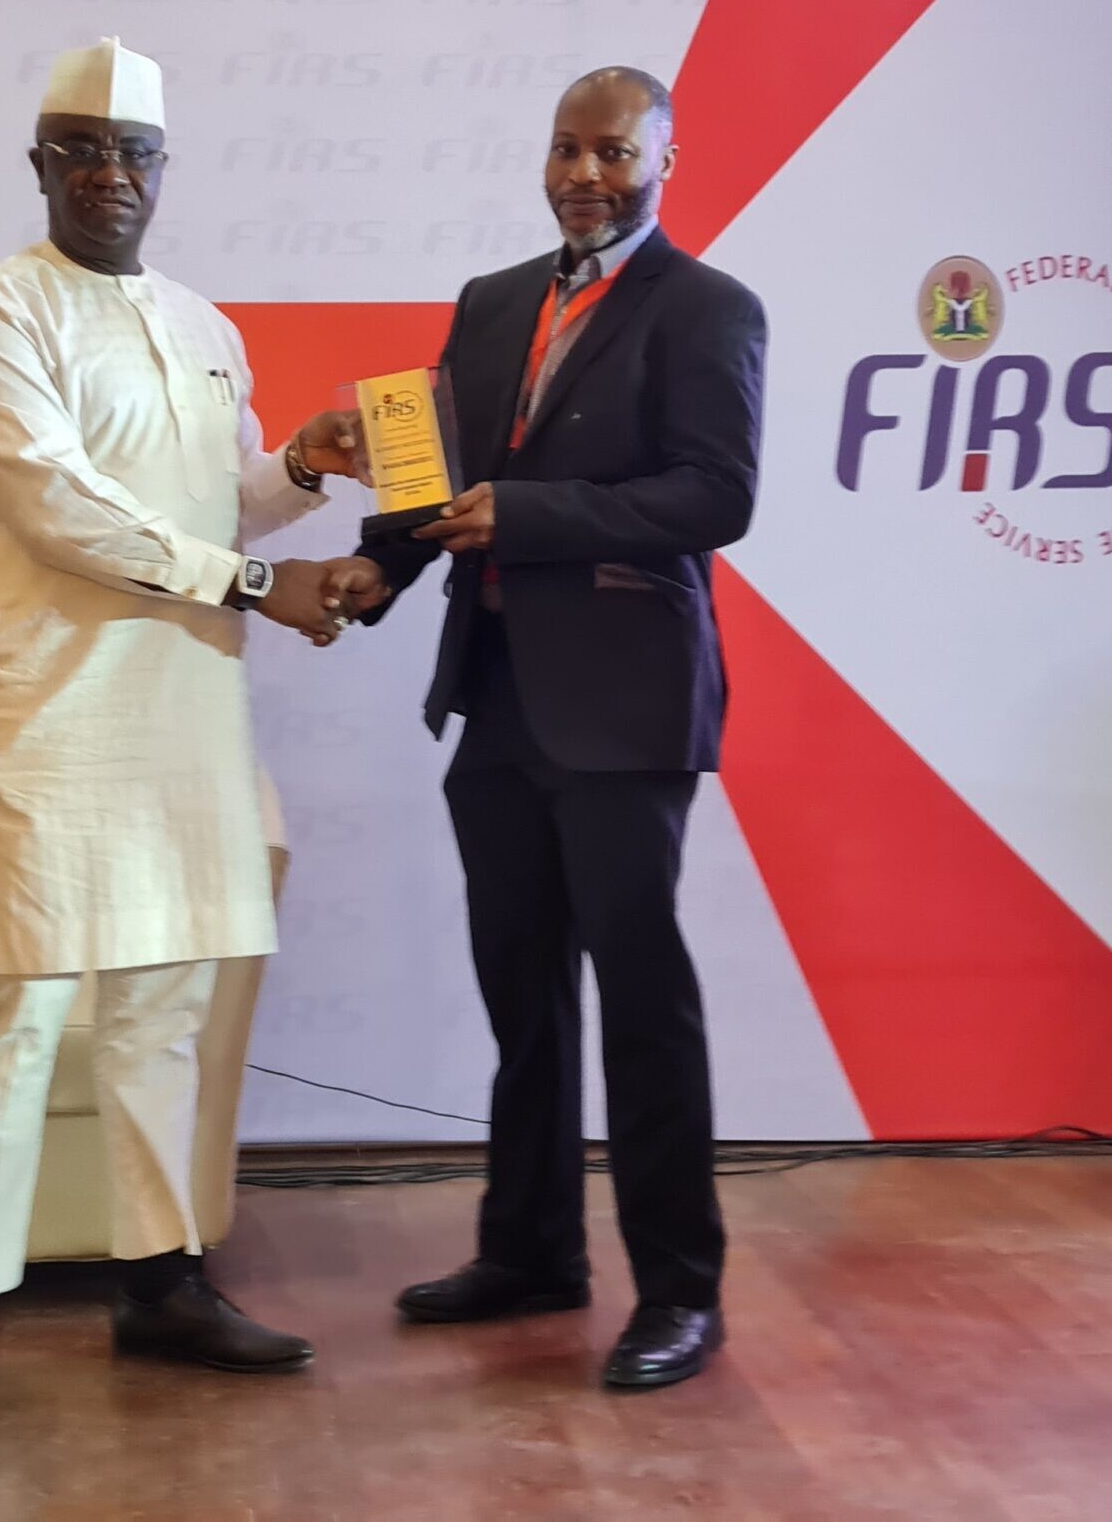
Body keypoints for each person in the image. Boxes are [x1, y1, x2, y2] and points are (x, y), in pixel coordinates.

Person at [0, 36, 363, 1432]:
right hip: (46, 712)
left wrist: (299, 471)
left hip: (180, 711)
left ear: (165, 171)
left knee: (160, 1011)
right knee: (21, 1013)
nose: (112, 174)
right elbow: (58, 507)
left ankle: (162, 1283)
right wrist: (254, 582)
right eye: (83, 149)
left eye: (135, 152)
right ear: (39, 165)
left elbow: (215, 503)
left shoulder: (205, 325)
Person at [320, 67, 765, 1390]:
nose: (586, 173)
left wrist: (531, 514)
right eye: (568, 149)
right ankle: (530, 1253)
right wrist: (376, 570)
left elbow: (716, 495)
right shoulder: (494, 301)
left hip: (628, 703)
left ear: (665, 161)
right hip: (500, 692)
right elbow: (436, 477)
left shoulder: (709, 308)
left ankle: (682, 1294)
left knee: (643, 1006)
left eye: (615, 152)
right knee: (523, 996)